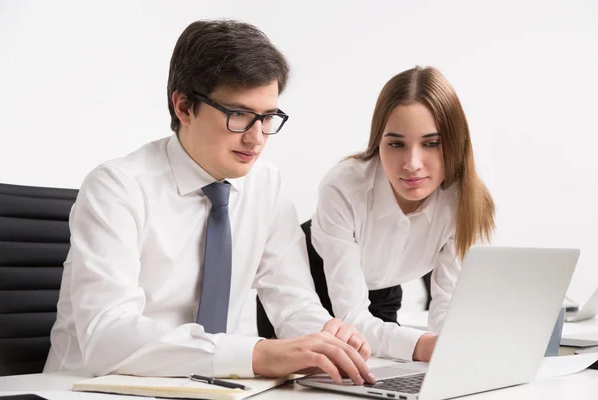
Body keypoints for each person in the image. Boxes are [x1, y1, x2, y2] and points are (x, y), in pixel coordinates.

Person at [44, 20, 376, 386]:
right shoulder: (116, 188)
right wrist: (258, 354)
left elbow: (293, 301)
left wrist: (326, 340)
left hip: (213, 388)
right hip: (89, 388)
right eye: (239, 116)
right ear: (184, 107)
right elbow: (107, 336)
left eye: (268, 118)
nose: (256, 138)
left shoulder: (266, 185)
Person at [311, 66, 496, 362]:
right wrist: (424, 345)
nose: (412, 164)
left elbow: (448, 304)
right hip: (314, 291)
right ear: (378, 142)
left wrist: (454, 350)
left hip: (383, 293)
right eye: (396, 144)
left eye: (431, 143)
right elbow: (350, 316)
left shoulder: (464, 200)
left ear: (455, 142)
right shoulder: (343, 186)